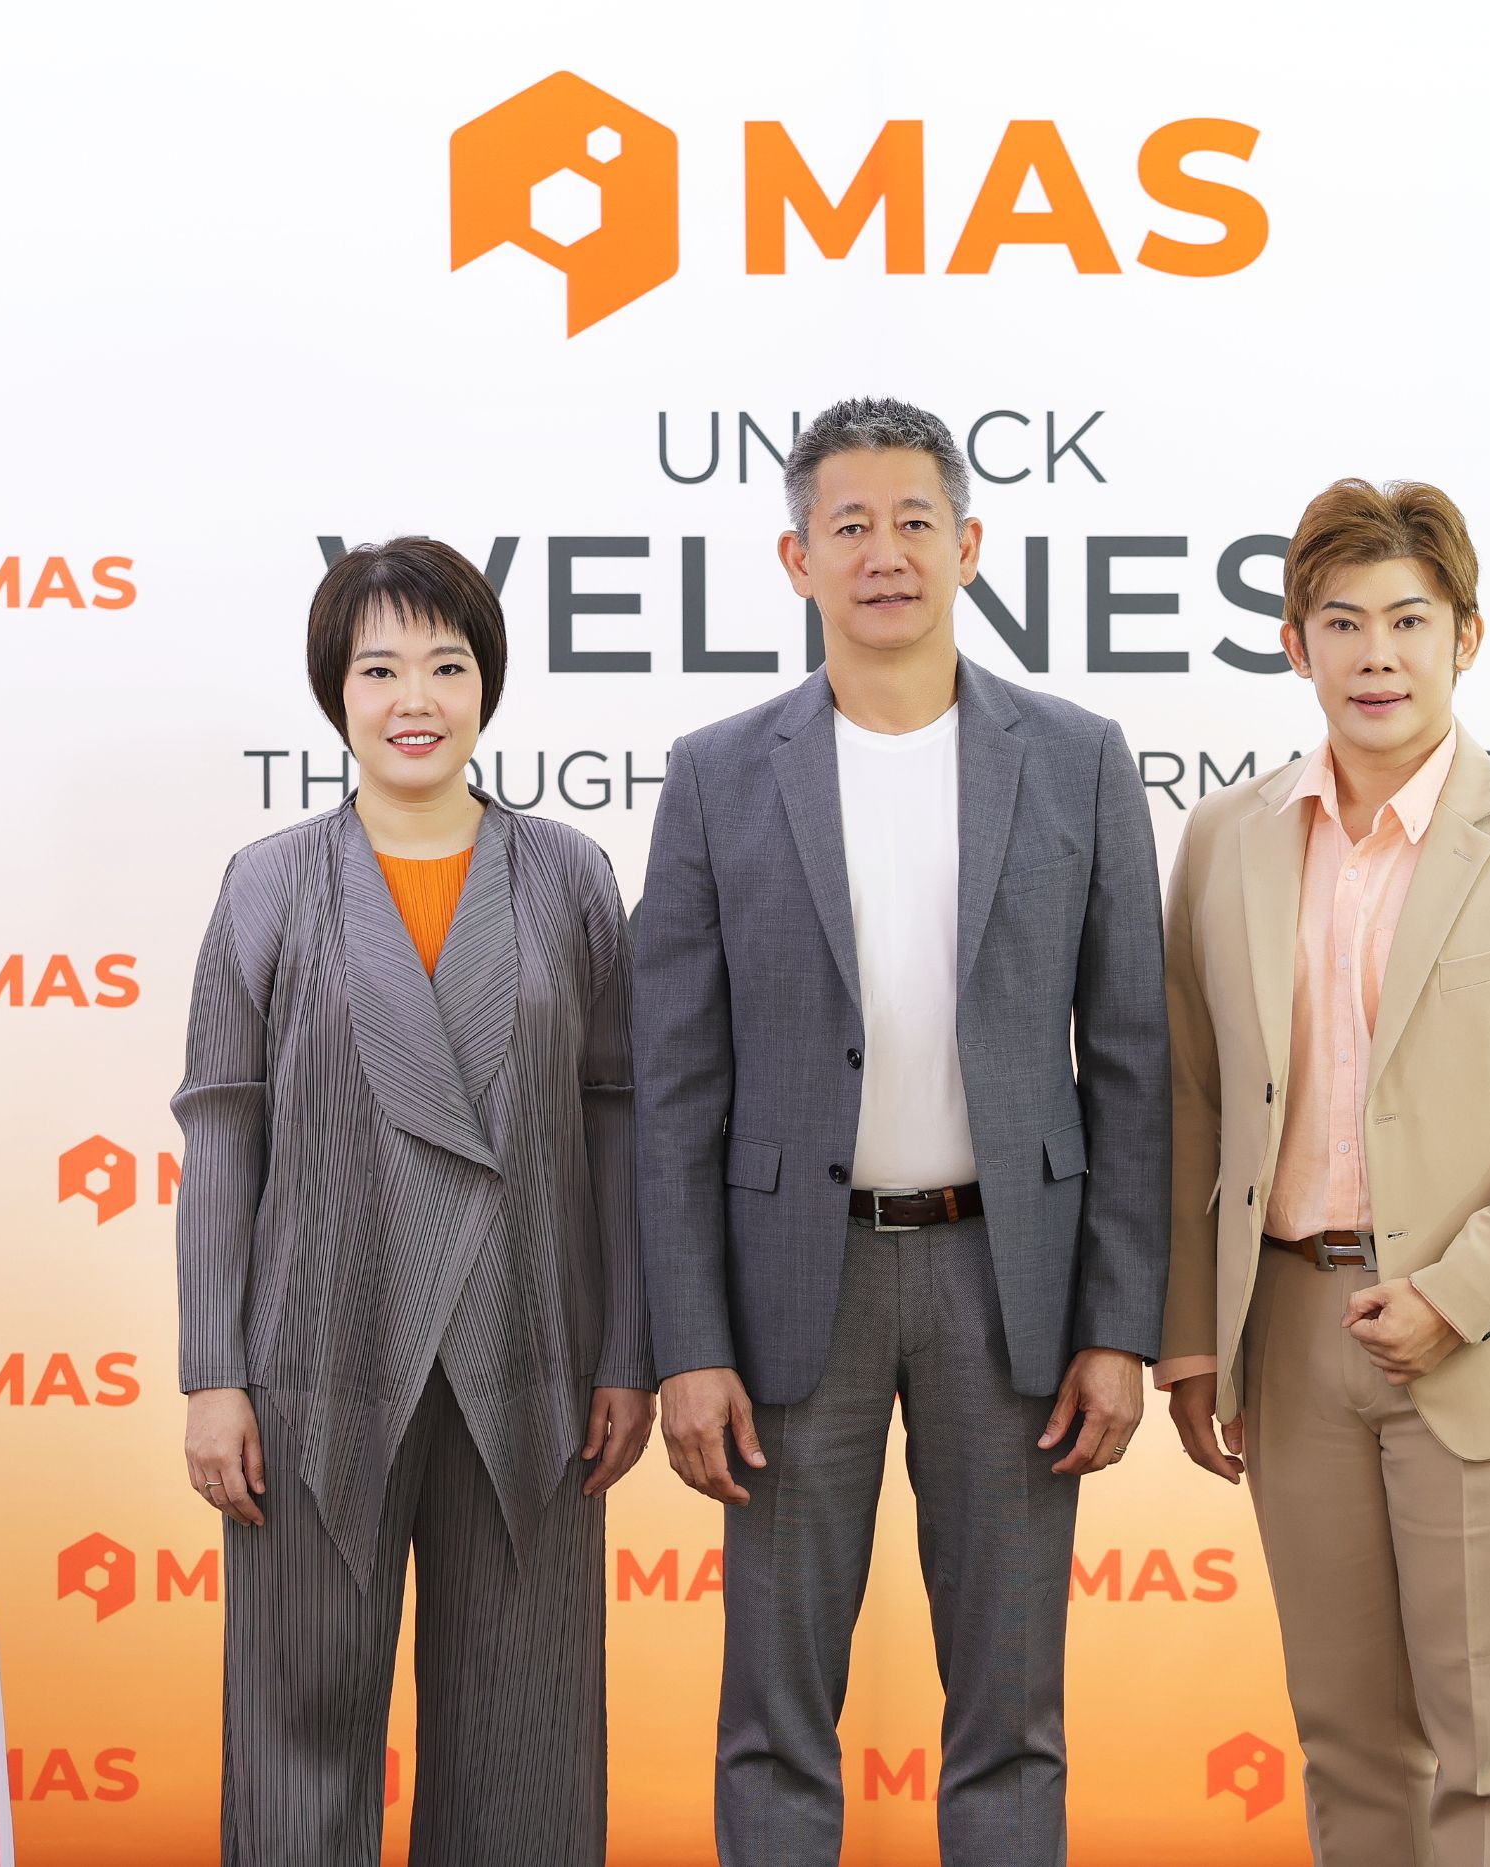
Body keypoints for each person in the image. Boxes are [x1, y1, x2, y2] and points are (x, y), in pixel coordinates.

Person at [634, 397, 1169, 1865]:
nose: (886, 554)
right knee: (774, 1713)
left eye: (916, 522)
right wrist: (688, 1343)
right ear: (797, 558)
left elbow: (1132, 1063)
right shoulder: (717, 772)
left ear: (970, 546)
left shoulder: (1077, 758)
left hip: (1015, 1288)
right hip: (791, 1291)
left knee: (1014, 1709)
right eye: (851, 526)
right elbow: (672, 1086)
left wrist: (1119, 1325)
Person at [1154, 480, 1490, 1864]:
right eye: (1342, 623)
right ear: (1294, 644)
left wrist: (1455, 1294)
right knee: (1348, 1741)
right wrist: (1193, 1340)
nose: (1375, 655)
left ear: (1465, 638)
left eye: (1409, 621)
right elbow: (1193, 1101)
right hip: (1288, 1329)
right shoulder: (1224, 839)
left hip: (1477, 1336)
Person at [172, 536, 654, 1864]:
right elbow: (223, 1132)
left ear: (487, 683)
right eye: (379, 669)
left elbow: (618, 1121)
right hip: (314, 1357)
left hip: (534, 1353)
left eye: (446, 665)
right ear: (335, 690)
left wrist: (628, 1352)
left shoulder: (569, 875)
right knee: (297, 1737)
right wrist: (213, 1374)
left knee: (526, 1744)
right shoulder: (268, 882)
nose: (415, 700)